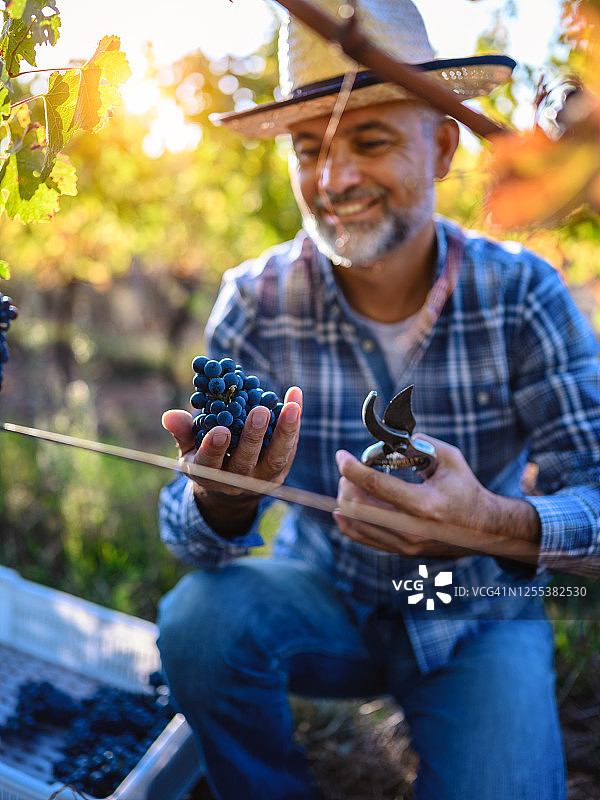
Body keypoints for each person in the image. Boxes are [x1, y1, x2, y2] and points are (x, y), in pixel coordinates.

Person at [157, 1, 600, 798]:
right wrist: (221, 504)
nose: (333, 179)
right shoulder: (256, 300)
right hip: (323, 594)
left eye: (370, 139)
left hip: (475, 615)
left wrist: (490, 523)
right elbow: (191, 537)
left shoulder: (524, 295)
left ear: (442, 147)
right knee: (199, 621)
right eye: (307, 150)